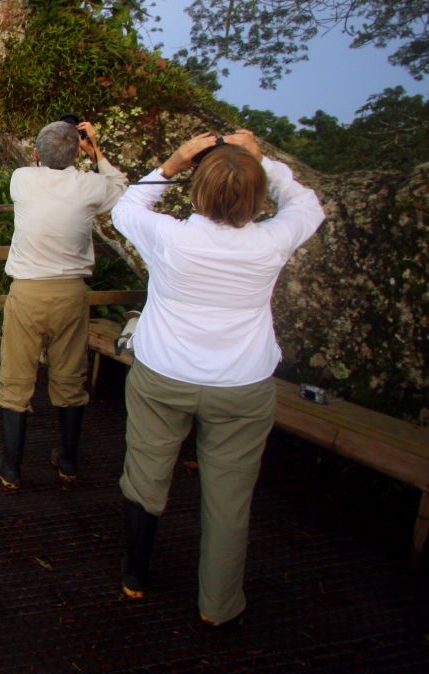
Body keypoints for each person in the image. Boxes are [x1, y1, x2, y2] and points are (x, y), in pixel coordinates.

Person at [110, 130, 324, 627]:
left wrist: (174, 161)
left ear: (197, 190)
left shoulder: (172, 237)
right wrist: (261, 161)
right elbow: (308, 204)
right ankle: (218, 605)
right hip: (242, 384)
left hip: (163, 374)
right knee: (230, 496)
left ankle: (135, 575)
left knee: (146, 474)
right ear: (257, 198)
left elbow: (125, 207)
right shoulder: (273, 240)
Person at [0, 118, 127, 490]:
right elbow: (120, 187)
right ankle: (67, 459)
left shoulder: (21, 179)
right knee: (70, 377)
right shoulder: (90, 187)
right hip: (71, 294)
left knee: (17, 379)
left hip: (28, 293)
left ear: (36, 154)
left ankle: (11, 465)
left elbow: (43, 167)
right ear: (75, 155)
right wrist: (94, 150)